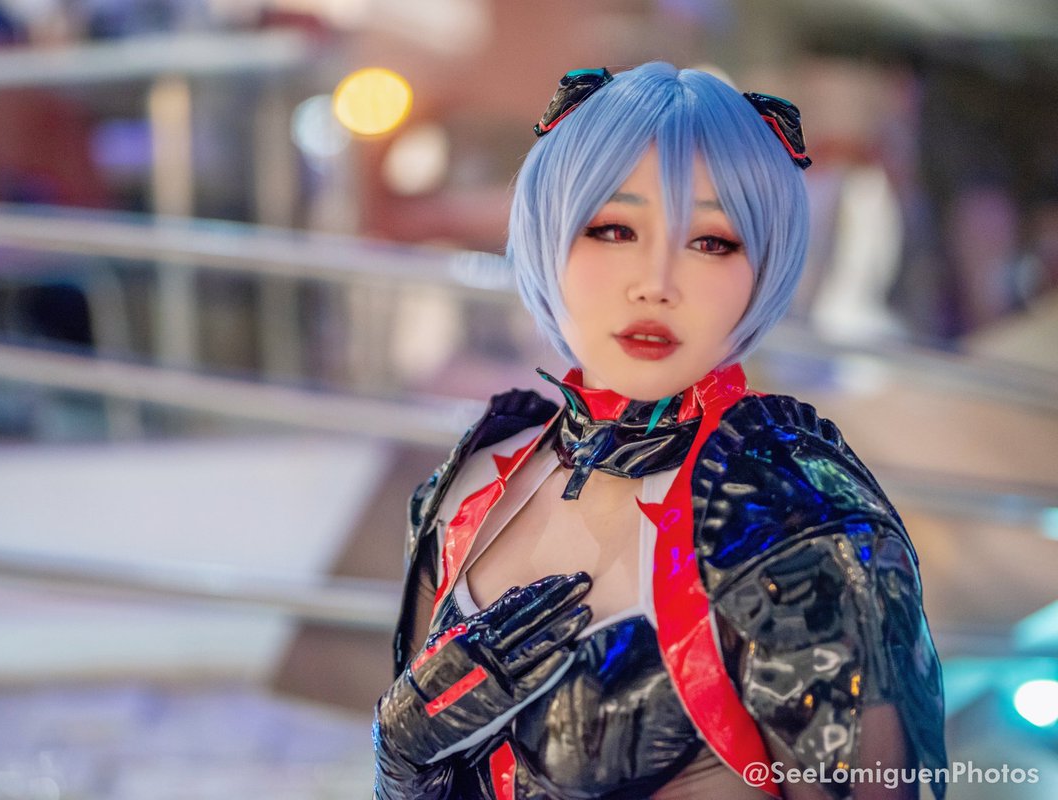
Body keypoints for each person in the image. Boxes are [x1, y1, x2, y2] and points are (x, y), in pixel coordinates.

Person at [372, 61, 946, 800]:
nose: (655, 282)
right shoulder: (470, 487)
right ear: (549, 234)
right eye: (614, 229)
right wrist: (401, 763)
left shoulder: (796, 521)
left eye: (711, 241)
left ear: (763, 264)